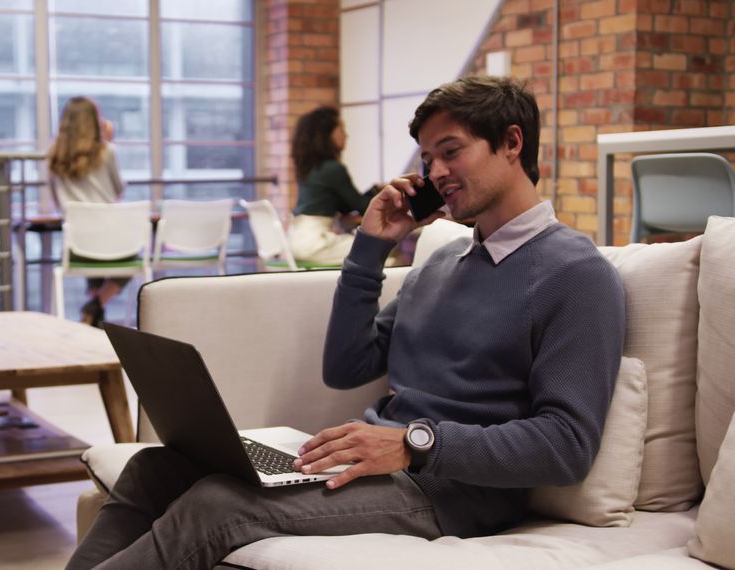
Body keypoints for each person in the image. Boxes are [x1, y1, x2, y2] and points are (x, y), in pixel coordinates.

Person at [68, 76, 626, 569]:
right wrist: (369, 249)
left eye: (450, 151)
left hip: (450, 491)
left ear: (511, 143)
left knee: (217, 505)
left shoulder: (574, 274)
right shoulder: (440, 261)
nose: (435, 173)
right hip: (378, 468)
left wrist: (414, 443)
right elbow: (345, 366)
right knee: (151, 471)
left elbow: (567, 444)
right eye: (427, 158)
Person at [47, 96, 126, 327]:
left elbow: (57, 203)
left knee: (92, 240)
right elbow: (118, 190)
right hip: (111, 242)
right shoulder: (107, 152)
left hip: (77, 246)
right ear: (95, 121)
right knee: (135, 258)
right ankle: (96, 304)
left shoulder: (53, 157)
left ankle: (95, 312)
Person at [288, 106, 376, 264]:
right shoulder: (332, 168)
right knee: (382, 252)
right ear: (326, 135)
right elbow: (363, 206)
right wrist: (379, 191)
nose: (346, 135)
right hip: (314, 243)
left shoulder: (312, 168)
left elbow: (346, 206)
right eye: (341, 129)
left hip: (296, 240)